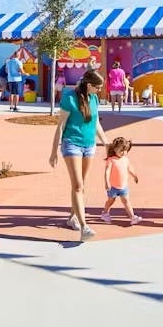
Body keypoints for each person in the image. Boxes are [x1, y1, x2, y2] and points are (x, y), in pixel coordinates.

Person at [48, 68, 107, 241]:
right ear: (89, 85)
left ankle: (72, 217)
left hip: (89, 146)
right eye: (98, 87)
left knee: (81, 184)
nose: (100, 90)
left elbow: (96, 124)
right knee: (78, 186)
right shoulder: (69, 98)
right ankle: (84, 226)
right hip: (72, 144)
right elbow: (60, 126)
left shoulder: (94, 98)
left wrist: (106, 142)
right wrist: (53, 152)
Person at [99, 136, 142, 225]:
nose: (123, 152)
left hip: (123, 186)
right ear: (115, 149)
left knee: (126, 201)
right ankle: (105, 213)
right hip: (113, 187)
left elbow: (130, 169)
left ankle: (132, 217)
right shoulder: (111, 160)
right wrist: (106, 182)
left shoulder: (125, 159)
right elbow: (107, 172)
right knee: (110, 201)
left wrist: (134, 176)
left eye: (125, 150)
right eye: (121, 150)